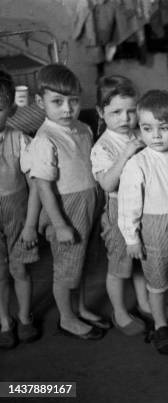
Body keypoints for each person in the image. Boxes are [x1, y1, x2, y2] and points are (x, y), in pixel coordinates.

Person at [26, 64, 108, 340]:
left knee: (84, 262)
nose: (67, 109)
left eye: (73, 101)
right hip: (66, 209)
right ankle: (67, 318)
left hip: (90, 202)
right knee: (65, 268)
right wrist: (59, 224)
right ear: (40, 102)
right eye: (57, 102)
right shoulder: (45, 138)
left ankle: (81, 308)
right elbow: (44, 187)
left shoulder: (83, 128)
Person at [118, 89, 168, 354]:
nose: (157, 135)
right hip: (153, 229)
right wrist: (131, 237)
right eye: (148, 129)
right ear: (140, 130)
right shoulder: (137, 163)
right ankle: (161, 323)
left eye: (164, 127)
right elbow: (128, 203)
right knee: (157, 279)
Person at [90, 75, 149, 336]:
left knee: (139, 260)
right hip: (118, 211)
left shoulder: (140, 133)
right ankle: (120, 311)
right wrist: (126, 153)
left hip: (144, 207)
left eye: (132, 111)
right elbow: (107, 184)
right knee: (119, 266)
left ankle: (145, 301)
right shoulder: (103, 145)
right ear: (101, 113)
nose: (125, 118)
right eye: (116, 112)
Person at [0, 70, 40, 348]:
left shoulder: (21, 140)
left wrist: (30, 224)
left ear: (11, 109)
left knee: (20, 269)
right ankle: (4, 320)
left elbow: (36, 185)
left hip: (17, 213)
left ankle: (25, 317)